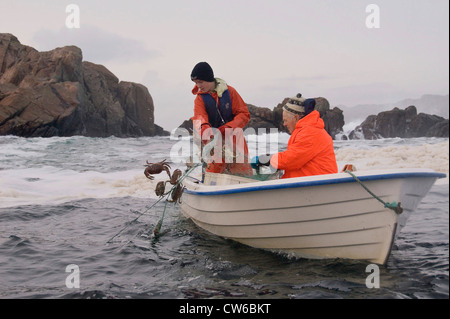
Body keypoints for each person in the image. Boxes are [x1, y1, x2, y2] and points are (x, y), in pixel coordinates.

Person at [251, 94, 338, 179]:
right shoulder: (308, 129)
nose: (284, 124)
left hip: (316, 186)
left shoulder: (310, 133)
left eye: (285, 120)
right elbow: (296, 158)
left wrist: (266, 159)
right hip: (308, 183)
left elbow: (290, 160)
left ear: (296, 118)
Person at [190, 62, 252, 176]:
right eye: (196, 83)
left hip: (234, 137)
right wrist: (205, 129)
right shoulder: (199, 99)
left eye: (200, 82)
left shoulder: (230, 92)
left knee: (242, 172)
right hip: (212, 140)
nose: (198, 85)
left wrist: (229, 126)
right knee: (213, 173)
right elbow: (200, 117)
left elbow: (244, 114)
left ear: (209, 79)